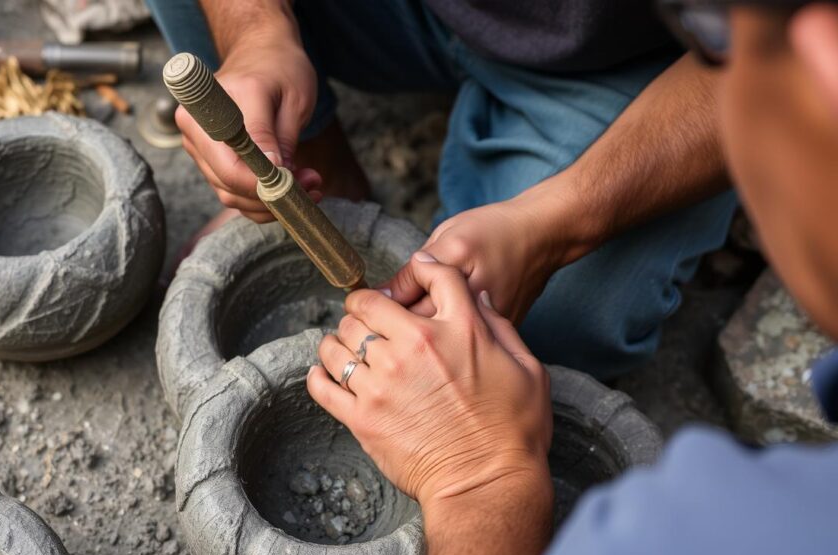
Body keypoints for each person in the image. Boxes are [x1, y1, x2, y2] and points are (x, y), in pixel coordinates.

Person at [308, 0, 838, 555]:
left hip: (611, 68)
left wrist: (482, 481)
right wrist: (258, 30)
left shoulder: (693, 543)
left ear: (824, 65)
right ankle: (326, 171)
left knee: (564, 316)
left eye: (715, 33)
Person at [145, 0, 737, 381]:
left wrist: (555, 226)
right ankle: (324, 169)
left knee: (530, 333)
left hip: (640, 60)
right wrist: (256, 31)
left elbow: (792, 63)